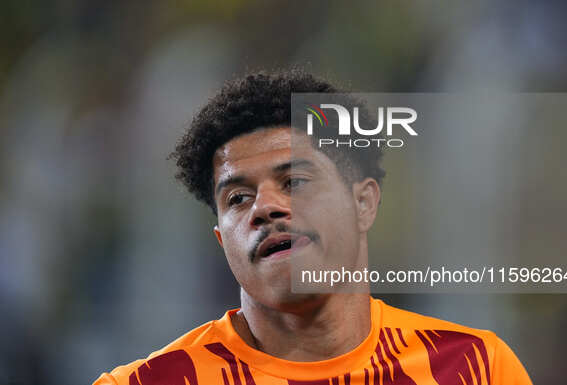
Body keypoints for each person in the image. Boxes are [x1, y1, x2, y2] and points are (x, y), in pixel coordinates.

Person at [93, 69, 532, 385]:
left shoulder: (477, 367)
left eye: (295, 182)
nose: (264, 208)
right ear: (221, 240)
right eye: (238, 198)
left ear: (363, 203)